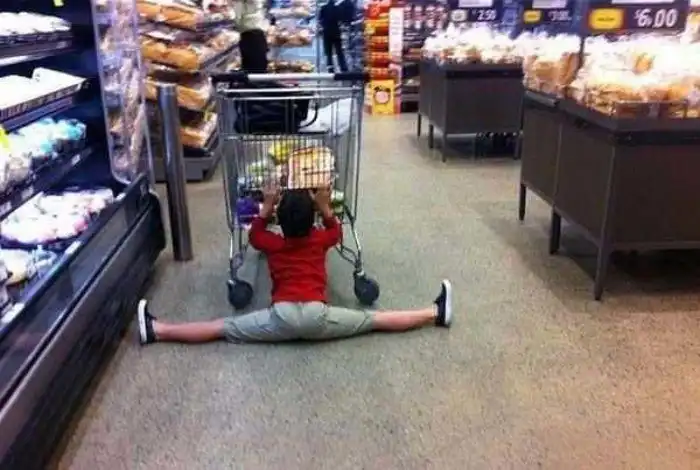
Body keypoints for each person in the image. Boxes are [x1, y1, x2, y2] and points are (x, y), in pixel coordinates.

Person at [137, 184, 454, 345]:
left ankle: (158, 330)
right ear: (312, 218)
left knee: (223, 327)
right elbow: (336, 232)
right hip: (318, 316)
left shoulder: (273, 243)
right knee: (374, 320)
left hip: (281, 317)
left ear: (280, 221)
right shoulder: (320, 239)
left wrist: (266, 206)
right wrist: (325, 207)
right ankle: (434, 313)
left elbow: (255, 235)